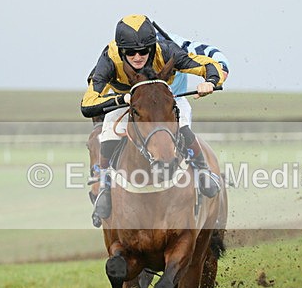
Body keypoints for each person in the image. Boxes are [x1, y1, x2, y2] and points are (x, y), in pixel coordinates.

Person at [81, 14, 227, 227]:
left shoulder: (166, 50)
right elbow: (87, 103)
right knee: (108, 134)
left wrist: (211, 81)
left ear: (152, 46)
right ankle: (104, 185)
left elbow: (207, 65)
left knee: (182, 126)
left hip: (163, 100)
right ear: (122, 51)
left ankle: (203, 172)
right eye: (131, 52)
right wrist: (123, 99)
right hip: (127, 102)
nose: (138, 56)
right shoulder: (109, 58)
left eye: (144, 50)